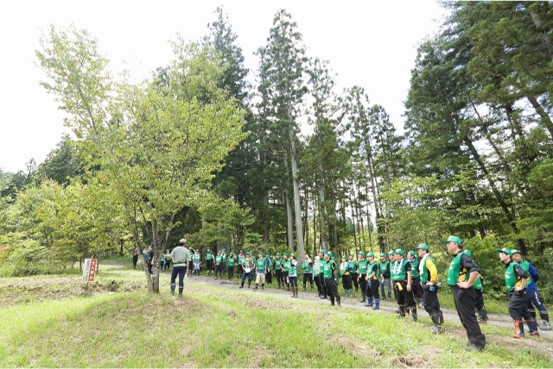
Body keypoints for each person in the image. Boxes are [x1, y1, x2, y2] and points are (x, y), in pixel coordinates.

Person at [446, 235, 486, 351]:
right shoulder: (456, 257)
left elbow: (475, 270)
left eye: (449, 243)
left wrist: (468, 284)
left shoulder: (463, 256)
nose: (447, 245)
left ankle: (478, 344)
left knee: (469, 317)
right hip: (457, 290)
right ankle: (471, 340)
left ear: (456, 244)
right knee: (463, 317)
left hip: (464, 291)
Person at [497, 248, 539, 338]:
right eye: (499, 254)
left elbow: (525, 275)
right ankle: (534, 332)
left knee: (513, 308)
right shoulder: (508, 266)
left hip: (520, 292)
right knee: (525, 311)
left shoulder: (514, 265)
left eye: (502, 253)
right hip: (515, 292)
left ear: (508, 256)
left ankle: (520, 333)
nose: (500, 255)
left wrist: (521, 287)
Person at [510, 249, 551, 331]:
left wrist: (531, 283)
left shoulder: (526, 264)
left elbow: (535, 275)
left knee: (538, 303)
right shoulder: (511, 266)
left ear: (520, 256)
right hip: (521, 289)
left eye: (517, 255)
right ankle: (533, 321)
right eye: (514, 256)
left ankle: (546, 322)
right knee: (528, 306)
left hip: (530, 288)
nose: (516, 257)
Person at [417, 243, 444, 334]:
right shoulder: (425, 259)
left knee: (428, 305)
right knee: (434, 304)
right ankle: (440, 324)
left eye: (419, 250)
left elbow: (433, 270)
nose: (418, 251)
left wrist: (432, 281)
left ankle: (438, 326)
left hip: (430, 285)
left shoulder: (428, 259)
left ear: (424, 250)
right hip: (427, 285)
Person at [391, 249, 416, 321]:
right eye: (395, 254)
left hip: (404, 283)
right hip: (396, 283)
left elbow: (409, 273)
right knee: (399, 299)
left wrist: (408, 284)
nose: (395, 256)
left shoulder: (406, 263)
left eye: (396, 254)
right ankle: (402, 314)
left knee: (410, 300)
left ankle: (414, 317)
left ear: (401, 256)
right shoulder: (395, 263)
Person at [464, 250, 488, 324]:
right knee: (480, 303)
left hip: (472, 285)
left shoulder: (467, 264)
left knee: (472, 303)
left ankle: (477, 319)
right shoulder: (473, 263)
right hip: (478, 285)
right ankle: (484, 318)